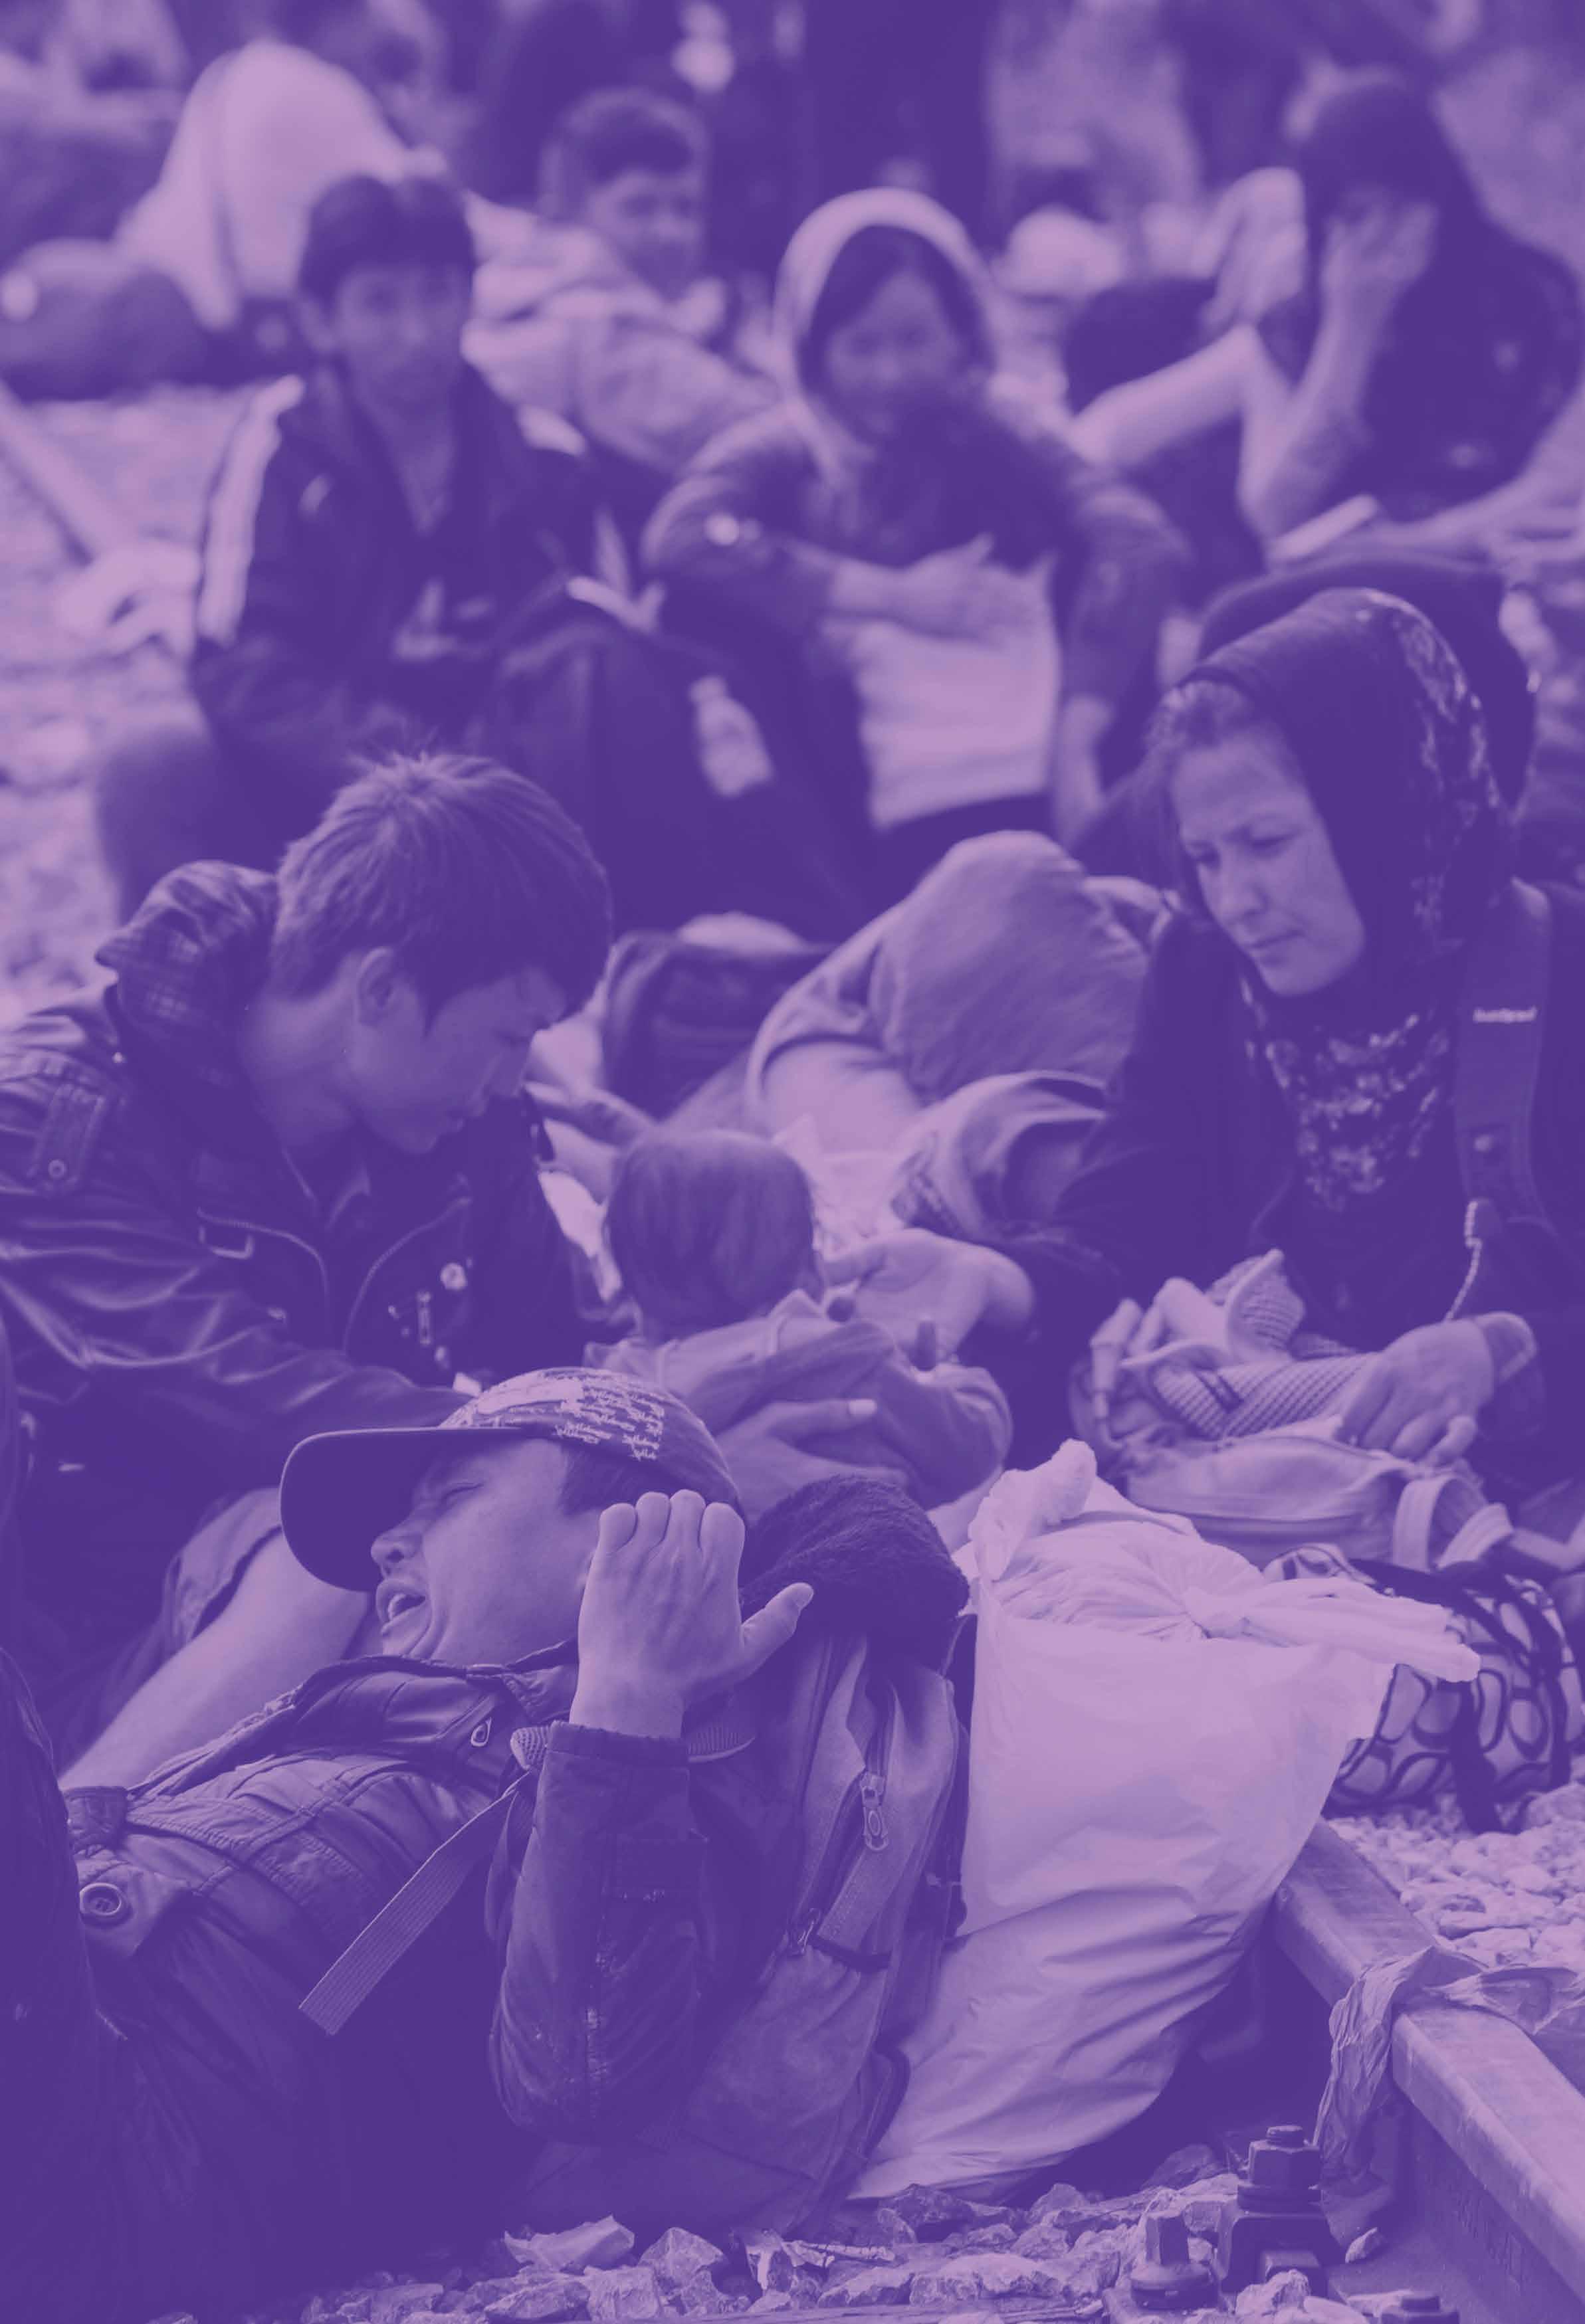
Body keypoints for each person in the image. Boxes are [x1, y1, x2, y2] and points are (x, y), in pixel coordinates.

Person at [1, 1357, 967, 2323]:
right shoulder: (398, 1727)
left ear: (623, 1540)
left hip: (111, 2148)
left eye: (449, 1499)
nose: (386, 1544)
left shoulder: (663, 1771)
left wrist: (630, 1697)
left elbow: (584, 2075)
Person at [0, 753, 881, 1785]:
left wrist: (731, 1377)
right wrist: (634, 1418)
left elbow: (551, 1352)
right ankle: (72, 1863)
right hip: (87, 1664)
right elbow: (250, 1396)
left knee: (660, 1523)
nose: (516, 1081)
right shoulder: (58, 1114)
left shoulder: (457, 1119)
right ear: (379, 986)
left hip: (345, 1594)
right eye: (510, 1036)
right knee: (340, 1543)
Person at [833, 590, 1585, 1500]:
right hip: (1283, 1476)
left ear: (1388, 815)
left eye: (1267, 844)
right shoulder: (1206, 970)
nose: (1236, 901)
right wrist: (991, 1277)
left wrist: (1506, 1353)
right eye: (1208, 857)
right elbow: (1127, 1222)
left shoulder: (1559, 977)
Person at [93, 171, 614, 918]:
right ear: (321, 320)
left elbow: (599, 656)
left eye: (437, 294)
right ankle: (224, 978)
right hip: (325, 791)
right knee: (151, 765)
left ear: (470, 299)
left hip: (498, 813)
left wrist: (488, 783)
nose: (416, 332)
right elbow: (241, 667)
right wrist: (406, 774)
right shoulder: (281, 448)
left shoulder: (545, 460)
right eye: (380, 302)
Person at [643, 187, 1191, 893]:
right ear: (812, 352)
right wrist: (890, 595)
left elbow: (1138, 542)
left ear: (964, 335)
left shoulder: (1006, 427)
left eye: (914, 340)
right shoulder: (784, 447)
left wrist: (1076, 735)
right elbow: (682, 536)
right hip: (853, 791)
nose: (890, 374)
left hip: (1034, 762)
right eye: (861, 346)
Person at [1069, 74, 1583, 567]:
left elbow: (1559, 485)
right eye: (1359, 216)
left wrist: (1412, 547)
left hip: (1486, 571)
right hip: (1331, 580)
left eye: (1404, 208)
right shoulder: (1300, 318)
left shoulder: (1533, 303)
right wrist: (1351, 330)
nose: (1387, 235)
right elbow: (1273, 511)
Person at [0, 0, 463, 400]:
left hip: (169, 278)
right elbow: (423, 207)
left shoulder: (234, 68)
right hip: (234, 326)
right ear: (346, 18)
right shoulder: (315, 86)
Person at [597, 1129, 1012, 1507]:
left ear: (633, 1296)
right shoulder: (847, 1362)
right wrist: (955, 1376)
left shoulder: (618, 1389)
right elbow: (969, 1448)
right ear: (811, 1271)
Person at [469, 86, 777, 543]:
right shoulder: (595, 318)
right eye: (640, 207)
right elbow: (769, 433)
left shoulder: (525, 286)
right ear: (565, 212)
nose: (669, 232)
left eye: (686, 208)